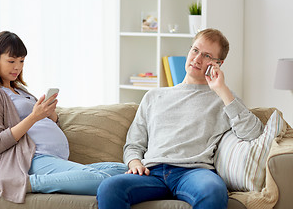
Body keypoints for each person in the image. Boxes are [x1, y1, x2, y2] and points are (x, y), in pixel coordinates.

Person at [96, 28, 263, 209]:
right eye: (195, 50)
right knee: (109, 187)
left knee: (213, 191)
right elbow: (134, 144)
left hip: (194, 173)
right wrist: (134, 162)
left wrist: (222, 89)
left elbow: (253, 133)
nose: (197, 59)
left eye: (207, 56)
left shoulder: (224, 99)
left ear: (218, 64)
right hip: (151, 172)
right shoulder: (153, 96)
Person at [0, 31, 127, 203]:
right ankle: (27, 183)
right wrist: (34, 117)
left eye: (22, 61)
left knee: (124, 169)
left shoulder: (20, 90)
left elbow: (42, 125)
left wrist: (50, 116)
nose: (18, 67)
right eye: (11, 61)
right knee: (103, 180)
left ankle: (77, 177)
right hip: (31, 159)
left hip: (53, 158)